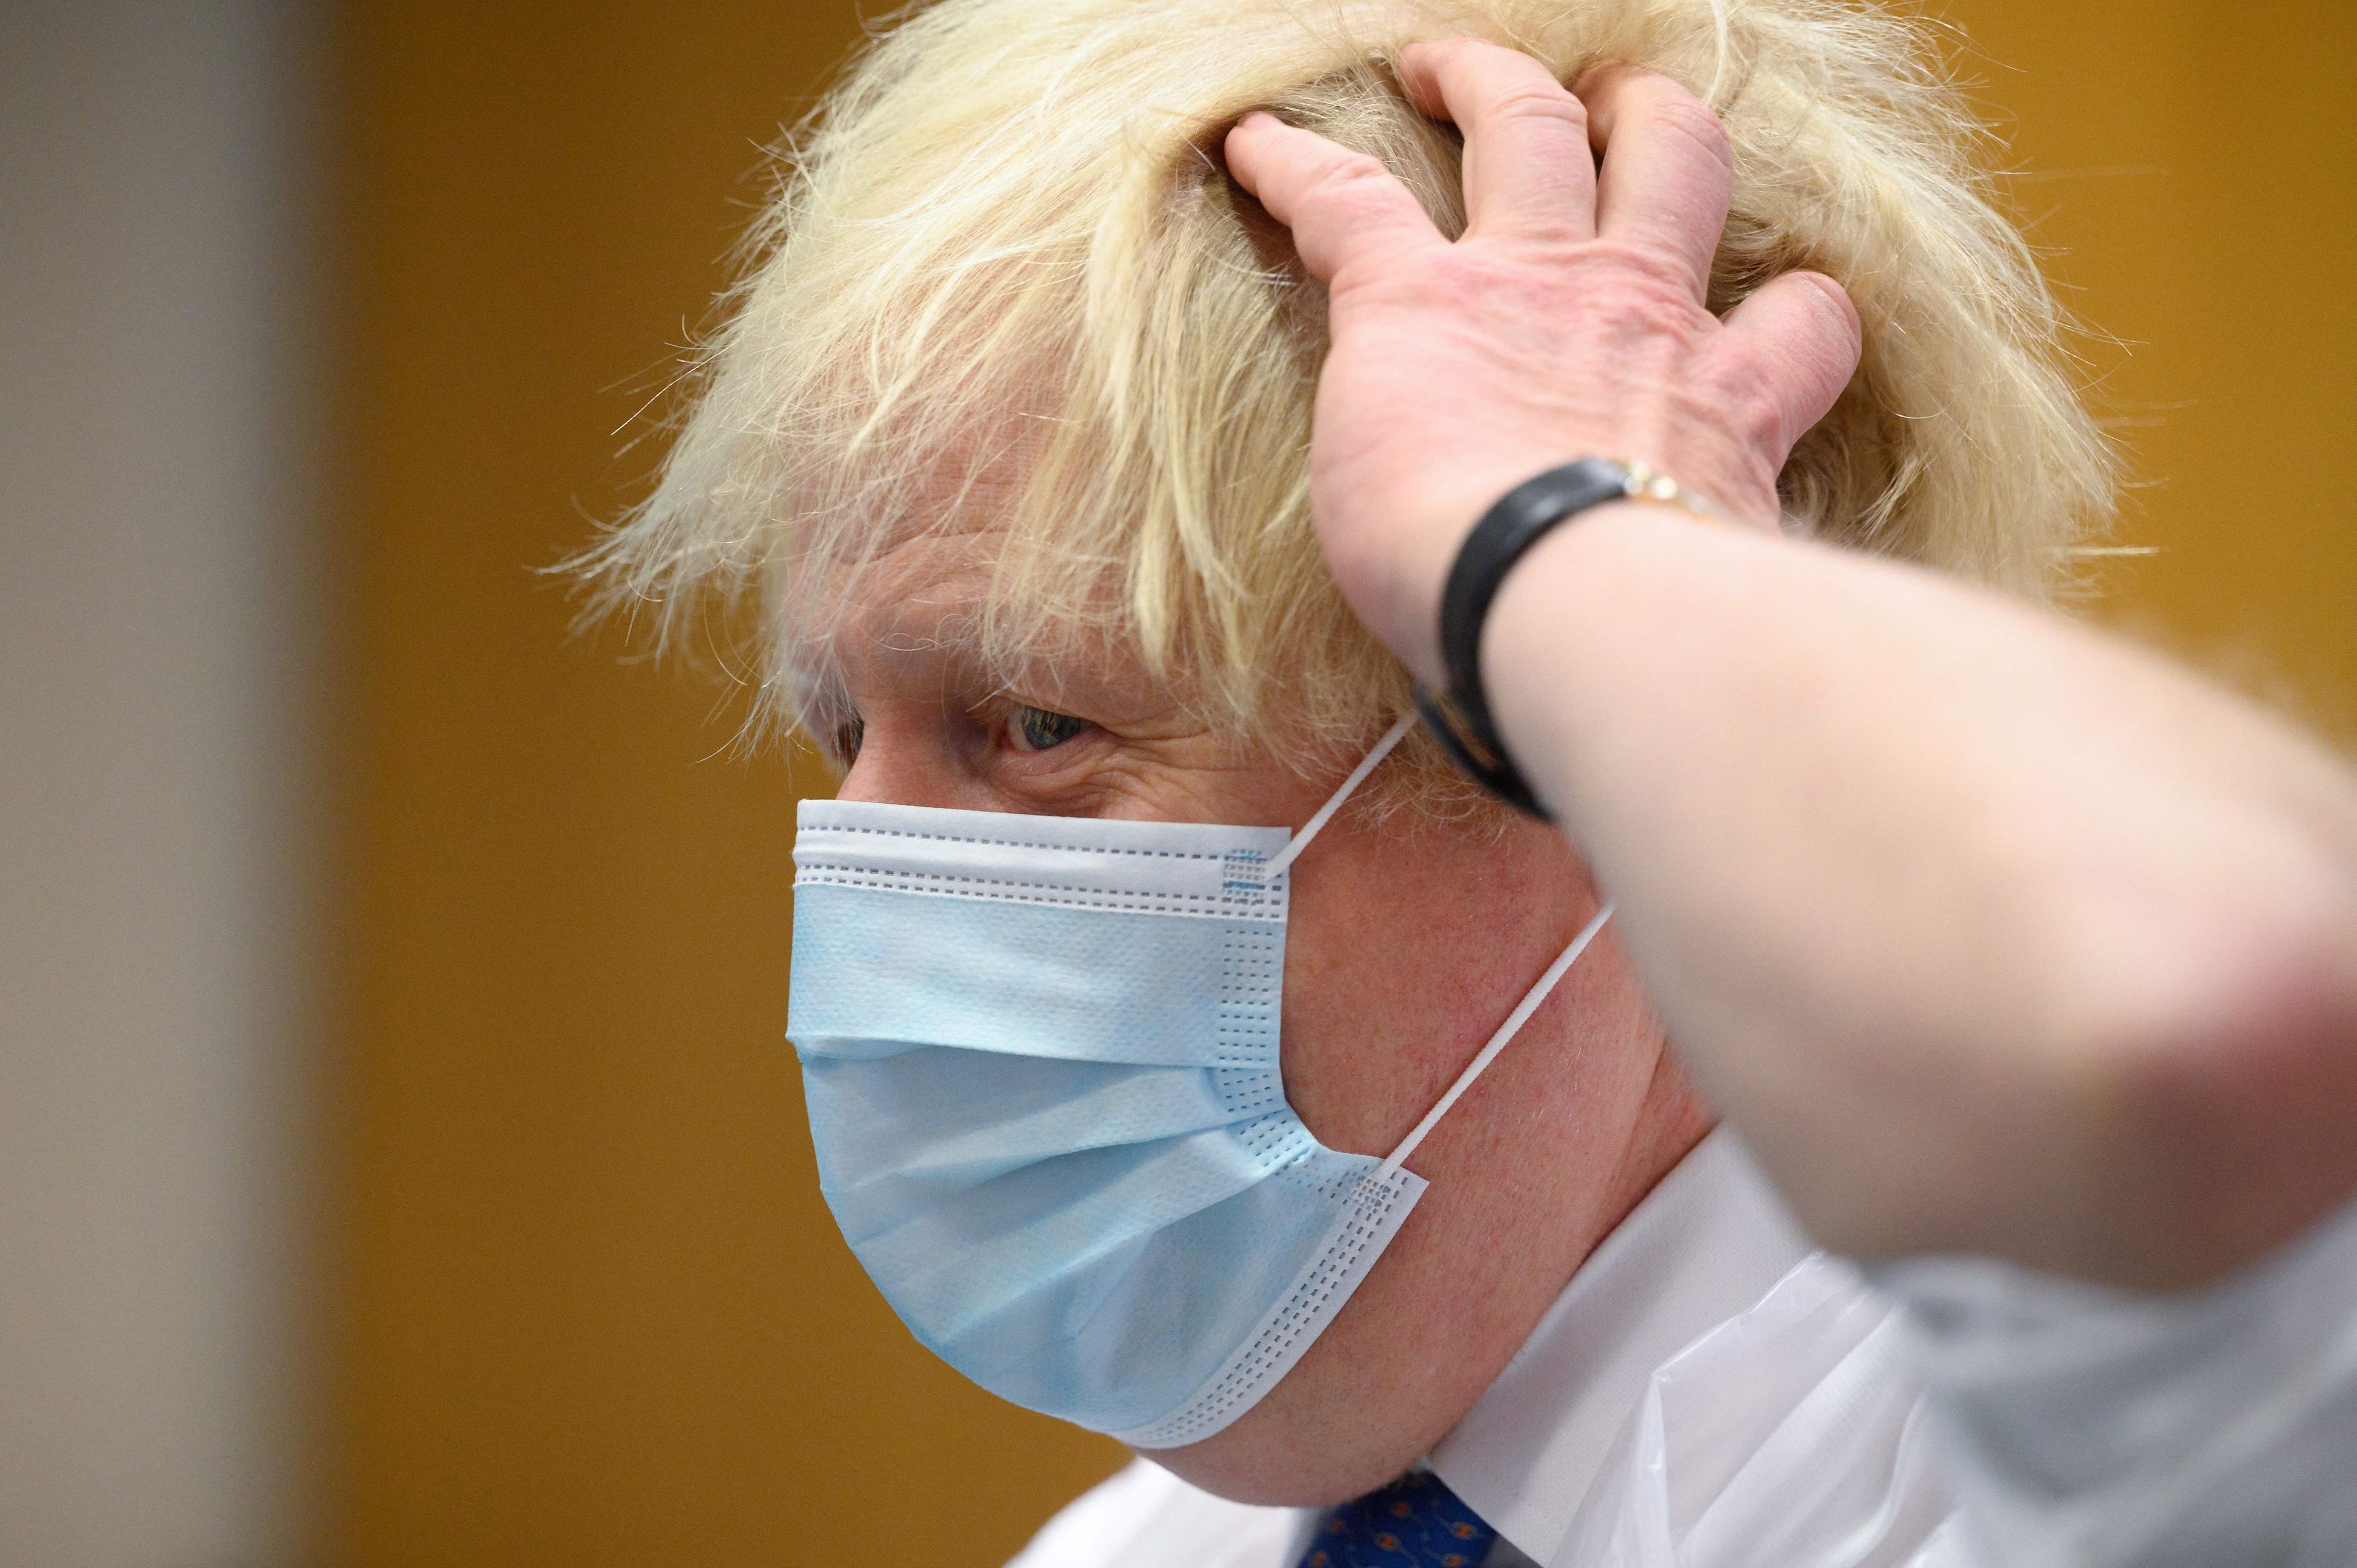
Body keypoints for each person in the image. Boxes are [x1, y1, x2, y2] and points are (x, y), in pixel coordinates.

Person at [577, 0, 2357, 1563]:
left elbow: (2249, 1022)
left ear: (1582, 742)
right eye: (844, 736)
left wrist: (1567, 534)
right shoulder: (1136, 1551)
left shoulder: (2085, 1458)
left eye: (1037, 726)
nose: (870, 894)